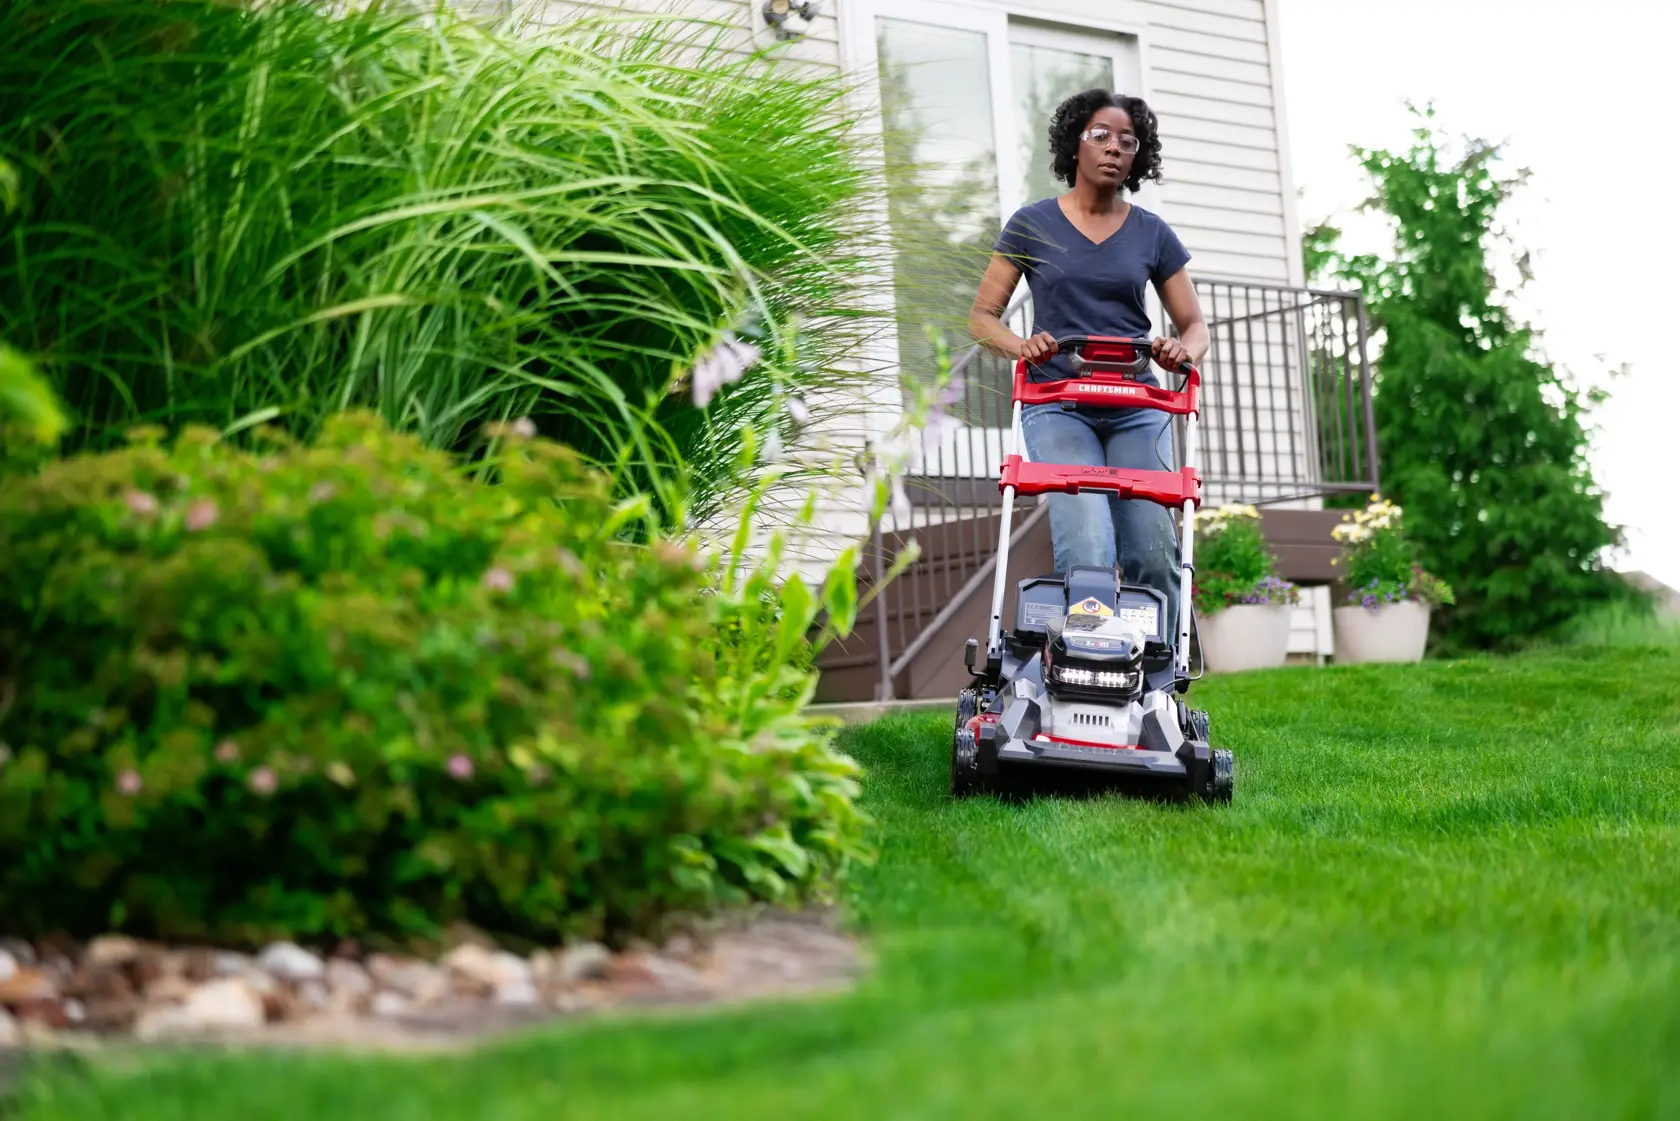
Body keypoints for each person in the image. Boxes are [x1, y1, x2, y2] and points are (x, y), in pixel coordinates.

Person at [968, 87, 1210, 629]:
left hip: (1137, 405)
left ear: (1137, 157)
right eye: (1100, 135)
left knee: (1150, 548)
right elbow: (982, 318)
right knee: (1089, 543)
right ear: (1074, 144)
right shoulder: (1032, 224)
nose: (1113, 149)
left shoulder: (1153, 233)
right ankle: (1085, 670)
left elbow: (1195, 327)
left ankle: (1162, 676)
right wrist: (1021, 346)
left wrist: (1180, 351)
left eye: (1128, 141)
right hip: (1057, 403)